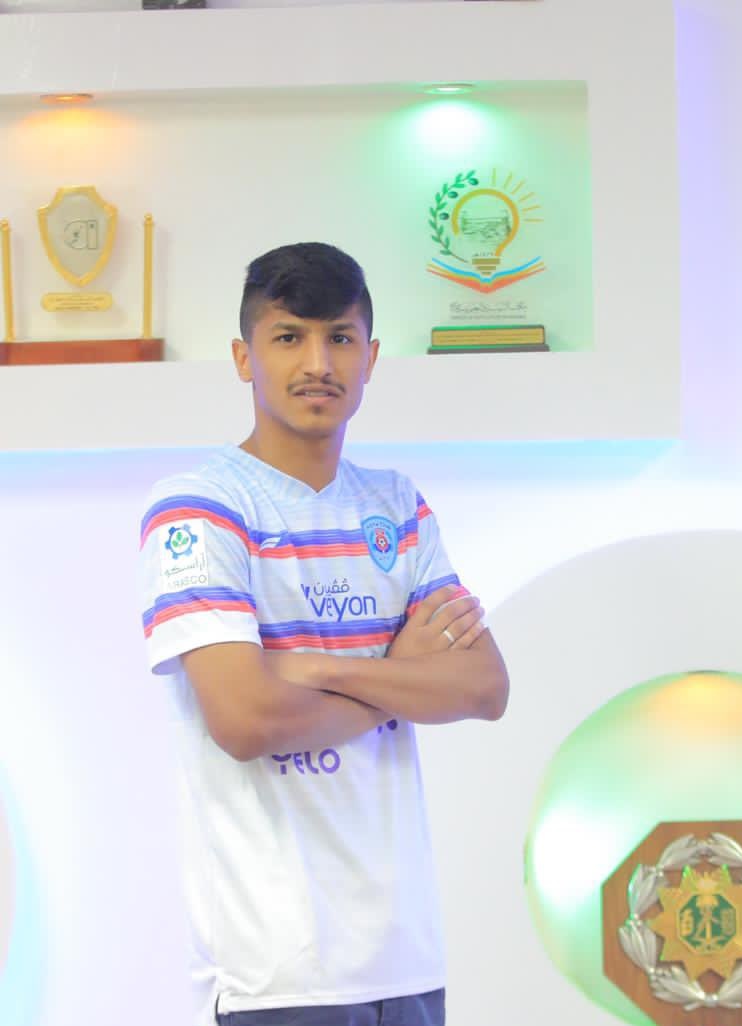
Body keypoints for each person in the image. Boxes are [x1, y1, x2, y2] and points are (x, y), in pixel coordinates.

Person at [139, 242, 509, 1026]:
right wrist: (399, 674)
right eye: (289, 337)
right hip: (276, 970)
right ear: (244, 358)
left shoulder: (396, 506)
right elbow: (246, 722)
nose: (319, 362)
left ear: (370, 358)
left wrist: (312, 667)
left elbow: (482, 687)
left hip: (407, 958)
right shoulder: (199, 509)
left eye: (340, 337)